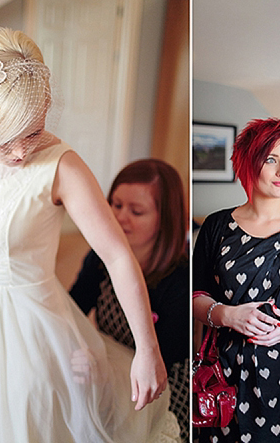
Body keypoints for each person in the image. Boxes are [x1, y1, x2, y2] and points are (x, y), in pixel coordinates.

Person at [0, 27, 179, 442]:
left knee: (30, 422)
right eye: (6, 141)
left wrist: (148, 351)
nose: (21, 153)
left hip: (32, 324)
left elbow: (117, 256)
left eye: (33, 132)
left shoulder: (62, 166)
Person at [193, 118, 280, 442]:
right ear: (248, 162)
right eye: (271, 159)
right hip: (226, 368)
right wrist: (227, 315)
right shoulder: (216, 227)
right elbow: (196, 294)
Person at [69, 158, 190, 440]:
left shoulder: (181, 278)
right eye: (116, 204)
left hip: (161, 384)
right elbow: (72, 308)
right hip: (109, 373)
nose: (120, 217)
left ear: (165, 219)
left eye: (136, 211)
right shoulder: (98, 260)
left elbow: (168, 354)